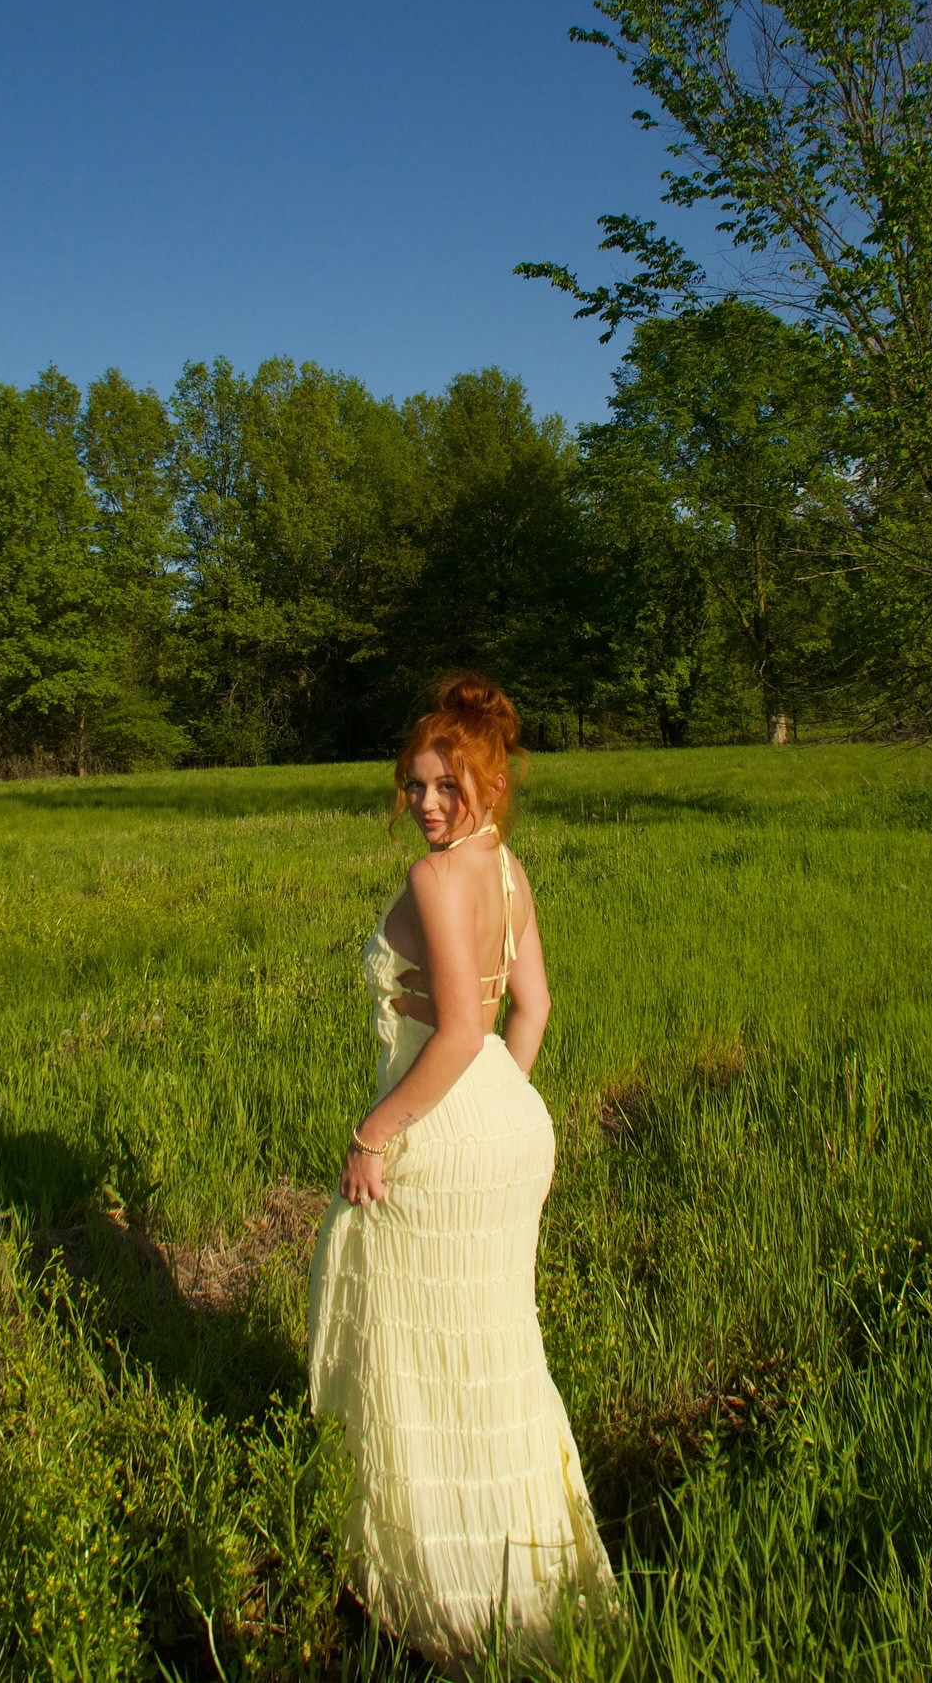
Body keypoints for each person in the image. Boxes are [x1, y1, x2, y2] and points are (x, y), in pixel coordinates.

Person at [307, 676, 615, 1670]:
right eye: (416, 784)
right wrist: (500, 1103)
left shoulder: (440, 880)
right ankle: (529, 1577)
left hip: (441, 1126)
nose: (430, 803)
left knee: (405, 1343)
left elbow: (466, 1027)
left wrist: (374, 1132)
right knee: (493, 1354)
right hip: (506, 1127)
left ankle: (436, 1593)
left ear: (490, 781)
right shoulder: (510, 873)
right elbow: (535, 1008)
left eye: (449, 784)